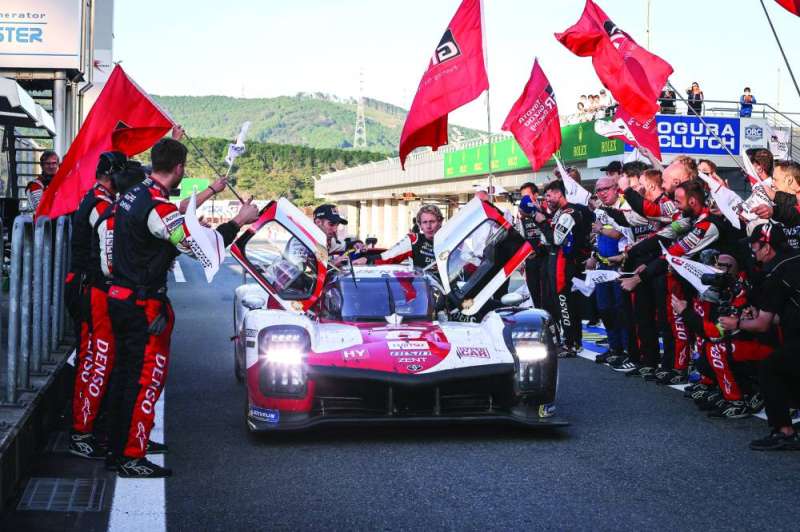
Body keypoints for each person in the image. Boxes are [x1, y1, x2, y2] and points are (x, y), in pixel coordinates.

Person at [106, 138, 259, 478]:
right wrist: (239, 221)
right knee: (145, 379)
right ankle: (131, 456)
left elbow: (173, 222)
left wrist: (210, 193)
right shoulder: (158, 208)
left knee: (125, 376)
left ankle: (118, 447)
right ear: (179, 168)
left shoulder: (135, 194)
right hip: (142, 303)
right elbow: (195, 248)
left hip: (121, 295)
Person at [67, 152, 128, 459]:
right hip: (92, 289)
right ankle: (81, 432)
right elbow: (110, 262)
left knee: (96, 358)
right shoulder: (100, 205)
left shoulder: (96, 198)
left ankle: (92, 426)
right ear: (112, 174)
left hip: (87, 286)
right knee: (97, 360)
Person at [719, 224, 800, 450]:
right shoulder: (794, 259)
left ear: (767, 247)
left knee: (770, 367)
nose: (753, 252)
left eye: (755, 247)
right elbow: (784, 313)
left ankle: (784, 432)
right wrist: (761, 314)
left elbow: (763, 325)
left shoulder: (776, 273)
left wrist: (737, 323)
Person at [534, 180, 592, 357]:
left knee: (565, 303)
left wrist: (543, 223)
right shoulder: (559, 213)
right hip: (558, 262)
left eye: (549, 195)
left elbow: (556, 239)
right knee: (562, 303)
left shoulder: (569, 212)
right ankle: (571, 341)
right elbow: (547, 240)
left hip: (566, 265)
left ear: (559, 193)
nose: (547, 199)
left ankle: (571, 344)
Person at [588, 176, 631, 368]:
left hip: (621, 267)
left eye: (605, 189)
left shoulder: (624, 206)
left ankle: (627, 349)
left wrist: (600, 230)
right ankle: (614, 347)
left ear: (616, 188)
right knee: (605, 309)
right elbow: (596, 237)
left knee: (621, 310)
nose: (602, 193)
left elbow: (620, 232)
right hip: (602, 266)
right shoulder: (600, 210)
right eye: (598, 190)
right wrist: (593, 255)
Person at [377, 204, 443, 269]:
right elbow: (385, 258)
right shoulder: (414, 240)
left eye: (432, 221)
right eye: (424, 222)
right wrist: (370, 260)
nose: (428, 226)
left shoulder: (448, 240)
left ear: (440, 222)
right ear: (420, 226)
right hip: (421, 276)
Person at [517, 183, 546, 309]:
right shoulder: (521, 215)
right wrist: (521, 260)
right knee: (533, 291)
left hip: (545, 258)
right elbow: (520, 237)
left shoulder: (544, 209)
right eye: (522, 197)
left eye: (527, 196)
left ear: (536, 195)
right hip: (530, 260)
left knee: (546, 292)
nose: (525, 199)